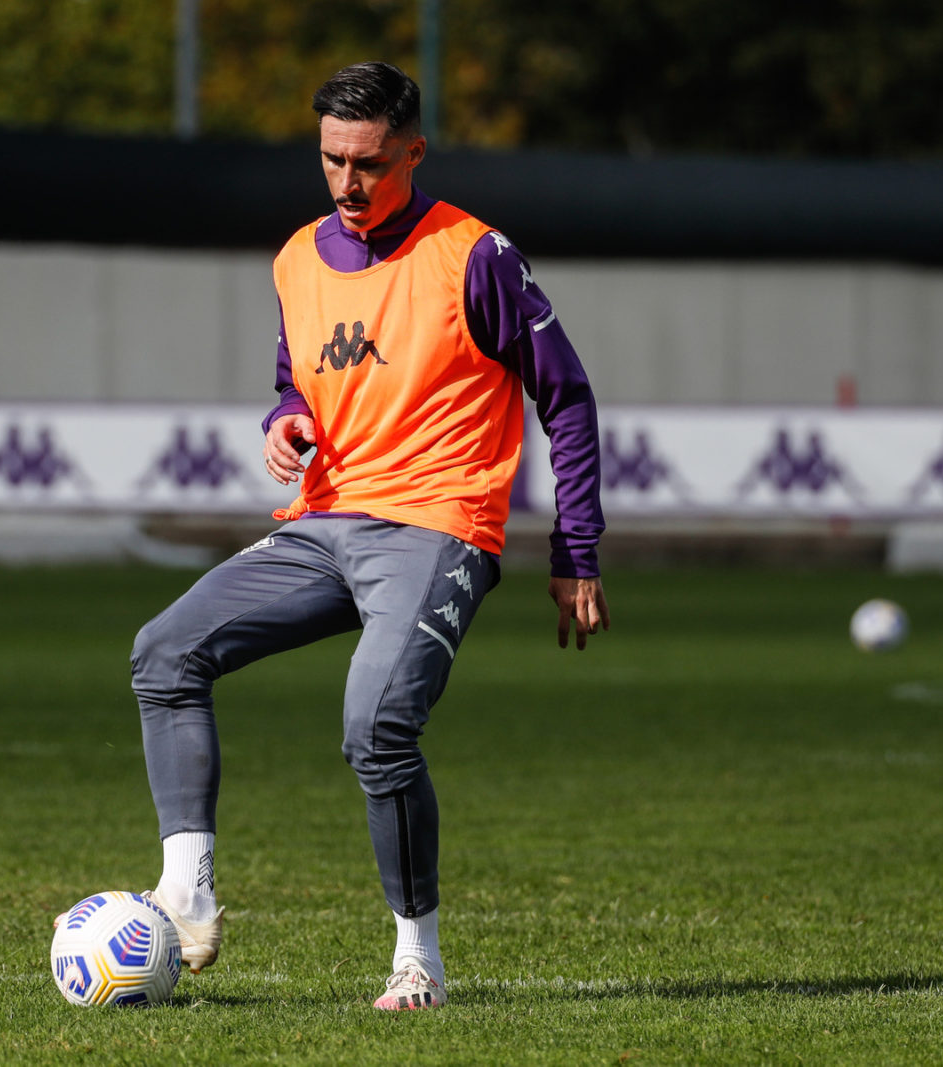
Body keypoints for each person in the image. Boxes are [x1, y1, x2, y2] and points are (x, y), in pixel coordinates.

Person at [125, 61, 609, 1011]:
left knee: (375, 728)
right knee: (162, 653)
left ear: (413, 153)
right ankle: (186, 890)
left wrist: (575, 548)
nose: (348, 183)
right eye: (332, 161)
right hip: (325, 522)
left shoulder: (474, 256)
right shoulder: (296, 258)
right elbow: (294, 378)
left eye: (371, 164)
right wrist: (287, 418)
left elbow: (569, 396)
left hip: (438, 527)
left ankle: (416, 958)